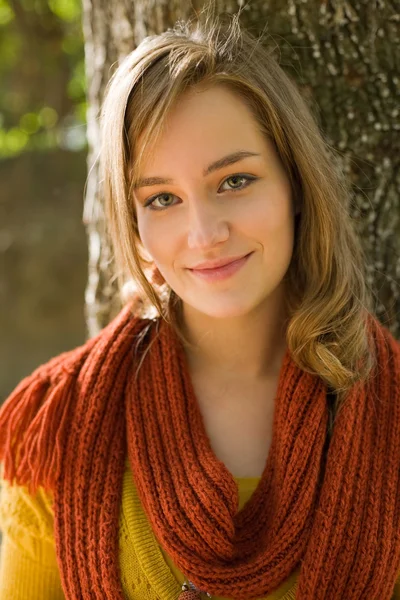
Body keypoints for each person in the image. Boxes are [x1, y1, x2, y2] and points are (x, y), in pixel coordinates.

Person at [0, 6, 399, 600]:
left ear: (296, 185)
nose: (204, 233)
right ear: (133, 228)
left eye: (234, 181)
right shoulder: (56, 424)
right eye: (162, 199)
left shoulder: (390, 410)